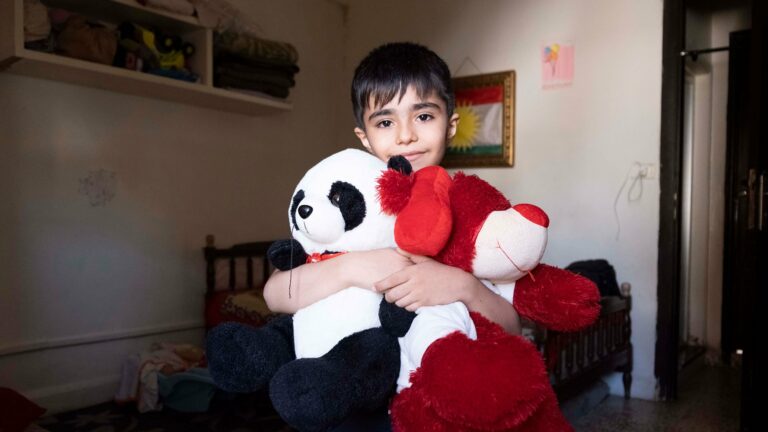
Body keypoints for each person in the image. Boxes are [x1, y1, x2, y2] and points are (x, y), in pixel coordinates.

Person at [263, 42, 522, 431]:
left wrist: (464, 287)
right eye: (385, 122)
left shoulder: (476, 212)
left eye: (423, 115)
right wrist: (353, 267)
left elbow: (512, 327)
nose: (405, 136)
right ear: (364, 136)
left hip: (437, 411)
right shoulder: (349, 202)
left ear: (450, 123)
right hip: (352, 406)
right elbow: (274, 294)